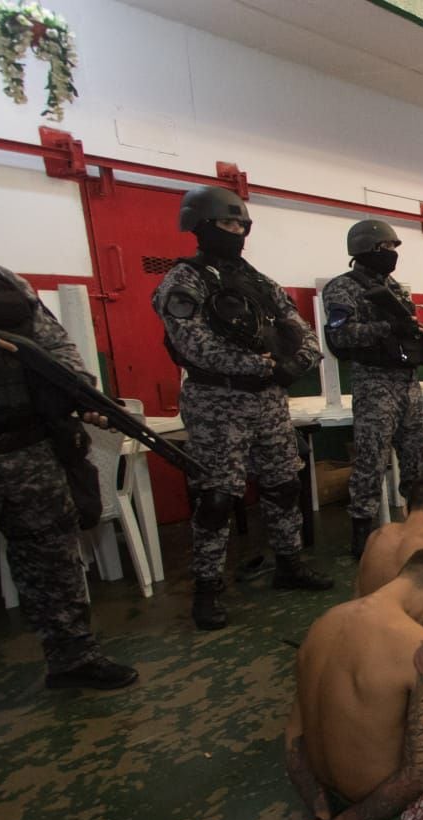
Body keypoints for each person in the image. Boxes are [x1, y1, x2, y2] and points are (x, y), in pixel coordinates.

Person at [0, 192, 136, 690]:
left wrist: (78, 391)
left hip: (30, 447)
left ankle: (72, 657)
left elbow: (56, 346)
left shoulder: (2, 283)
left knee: (53, 562)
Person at [152, 185, 332, 631]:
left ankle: (289, 562)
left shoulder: (259, 282)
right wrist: (264, 365)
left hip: (268, 400)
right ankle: (207, 587)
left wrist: (293, 364)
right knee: (217, 497)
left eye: (240, 224)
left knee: (283, 483)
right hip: (216, 402)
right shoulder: (183, 282)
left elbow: (303, 333)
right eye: (226, 223)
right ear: (199, 226)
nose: (236, 231)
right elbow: (195, 346)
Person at [265, 547, 423, 820]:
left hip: (327, 801)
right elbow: (416, 777)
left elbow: (294, 737)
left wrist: (321, 817)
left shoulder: (325, 621)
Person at [322, 219, 423, 558]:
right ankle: (362, 536)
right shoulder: (342, 288)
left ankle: (418, 527)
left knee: (417, 459)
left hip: (407, 382)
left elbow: (407, 329)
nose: (392, 254)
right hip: (374, 383)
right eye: (386, 248)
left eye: (394, 248)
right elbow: (340, 336)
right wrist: (387, 327)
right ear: (365, 249)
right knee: (371, 461)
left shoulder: (395, 287)